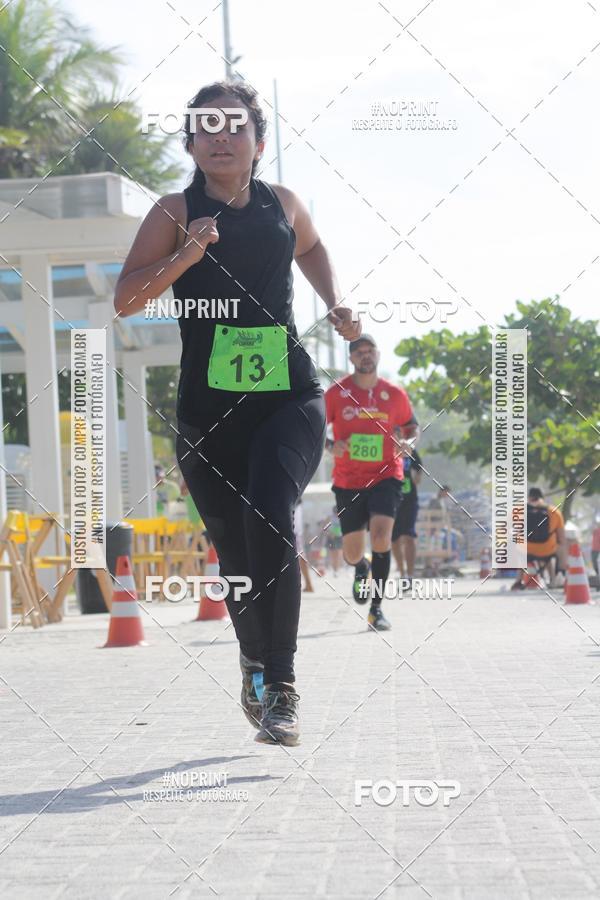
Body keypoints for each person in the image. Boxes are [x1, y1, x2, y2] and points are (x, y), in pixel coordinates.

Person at [114, 80, 360, 746]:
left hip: (289, 397)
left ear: (259, 139)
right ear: (191, 142)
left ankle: (282, 686)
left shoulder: (283, 204)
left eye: (236, 126)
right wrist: (185, 255)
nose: (222, 137)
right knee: (238, 555)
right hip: (206, 413)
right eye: (207, 128)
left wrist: (334, 301)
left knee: (271, 515)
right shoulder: (173, 211)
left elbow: (310, 248)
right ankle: (254, 660)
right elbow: (126, 300)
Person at [325, 334, 419, 631]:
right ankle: (361, 567)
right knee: (352, 552)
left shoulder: (394, 393)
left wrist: (409, 443)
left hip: (386, 475)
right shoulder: (337, 393)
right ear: (352, 358)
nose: (365, 356)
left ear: (378, 355)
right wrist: (331, 446)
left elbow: (410, 426)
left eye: (370, 351)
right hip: (348, 479)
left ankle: (376, 609)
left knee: (381, 537)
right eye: (359, 352)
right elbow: (314, 426)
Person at [511, 487, 567, 589]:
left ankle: (518, 580)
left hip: (526, 550)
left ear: (529, 498)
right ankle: (553, 579)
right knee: (552, 549)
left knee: (520, 547)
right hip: (547, 549)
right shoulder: (554, 511)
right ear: (542, 498)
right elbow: (562, 538)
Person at [391, 448, 423, 585]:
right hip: (390, 499)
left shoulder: (410, 450)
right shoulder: (386, 446)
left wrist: (417, 476)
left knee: (409, 536)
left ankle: (410, 575)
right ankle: (402, 573)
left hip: (410, 500)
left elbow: (419, 466)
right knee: (395, 539)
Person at [293, 499, 314, 592]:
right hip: (296, 530)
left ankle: (309, 584)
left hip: (294, 530)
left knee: (300, 555)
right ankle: (308, 584)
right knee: (300, 555)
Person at [326, 506, 344, 573]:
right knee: (332, 554)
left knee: (338, 553)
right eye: (335, 512)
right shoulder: (329, 517)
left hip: (339, 537)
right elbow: (324, 527)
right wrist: (329, 533)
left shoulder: (342, 517)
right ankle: (334, 568)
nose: (336, 514)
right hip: (331, 537)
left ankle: (336, 569)